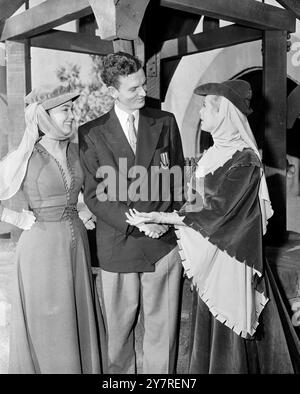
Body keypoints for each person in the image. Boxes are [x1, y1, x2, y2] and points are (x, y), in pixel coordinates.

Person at [126, 80, 300, 373]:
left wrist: (161, 218)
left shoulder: (246, 161)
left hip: (234, 264)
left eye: (206, 106)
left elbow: (216, 214)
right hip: (210, 264)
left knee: (236, 347)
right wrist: (158, 225)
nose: (201, 112)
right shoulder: (209, 155)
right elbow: (192, 207)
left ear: (224, 113)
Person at [78, 52, 185, 374]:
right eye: (132, 89)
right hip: (118, 245)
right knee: (118, 335)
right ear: (112, 91)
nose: (142, 92)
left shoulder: (165, 121)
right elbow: (95, 194)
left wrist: (160, 222)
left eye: (143, 84)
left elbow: (178, 179)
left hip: (162, 244)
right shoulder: (90, 132)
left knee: (162, 332)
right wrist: (140, 224)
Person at [0, 84, 106, 374]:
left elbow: (83, 193)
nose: (73, 116)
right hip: (41, 251)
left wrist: (83, 212)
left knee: (76, 319)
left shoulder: (77, 151)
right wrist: (18, 219)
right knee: (50, 324)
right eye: (64, 110)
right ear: (44, 117)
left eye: (73, 109)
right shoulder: (26, 155)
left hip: (77, 247)